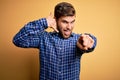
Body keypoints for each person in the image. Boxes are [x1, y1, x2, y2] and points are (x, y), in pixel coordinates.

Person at [13, 2, 97, 80]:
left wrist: (90, 43)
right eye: (65, 22)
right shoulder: (43, 38)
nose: (69, 27)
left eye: (72, 22)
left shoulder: (78, 40)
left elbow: (90, 42)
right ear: (55, 20)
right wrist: (44, 22)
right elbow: (18, 40)